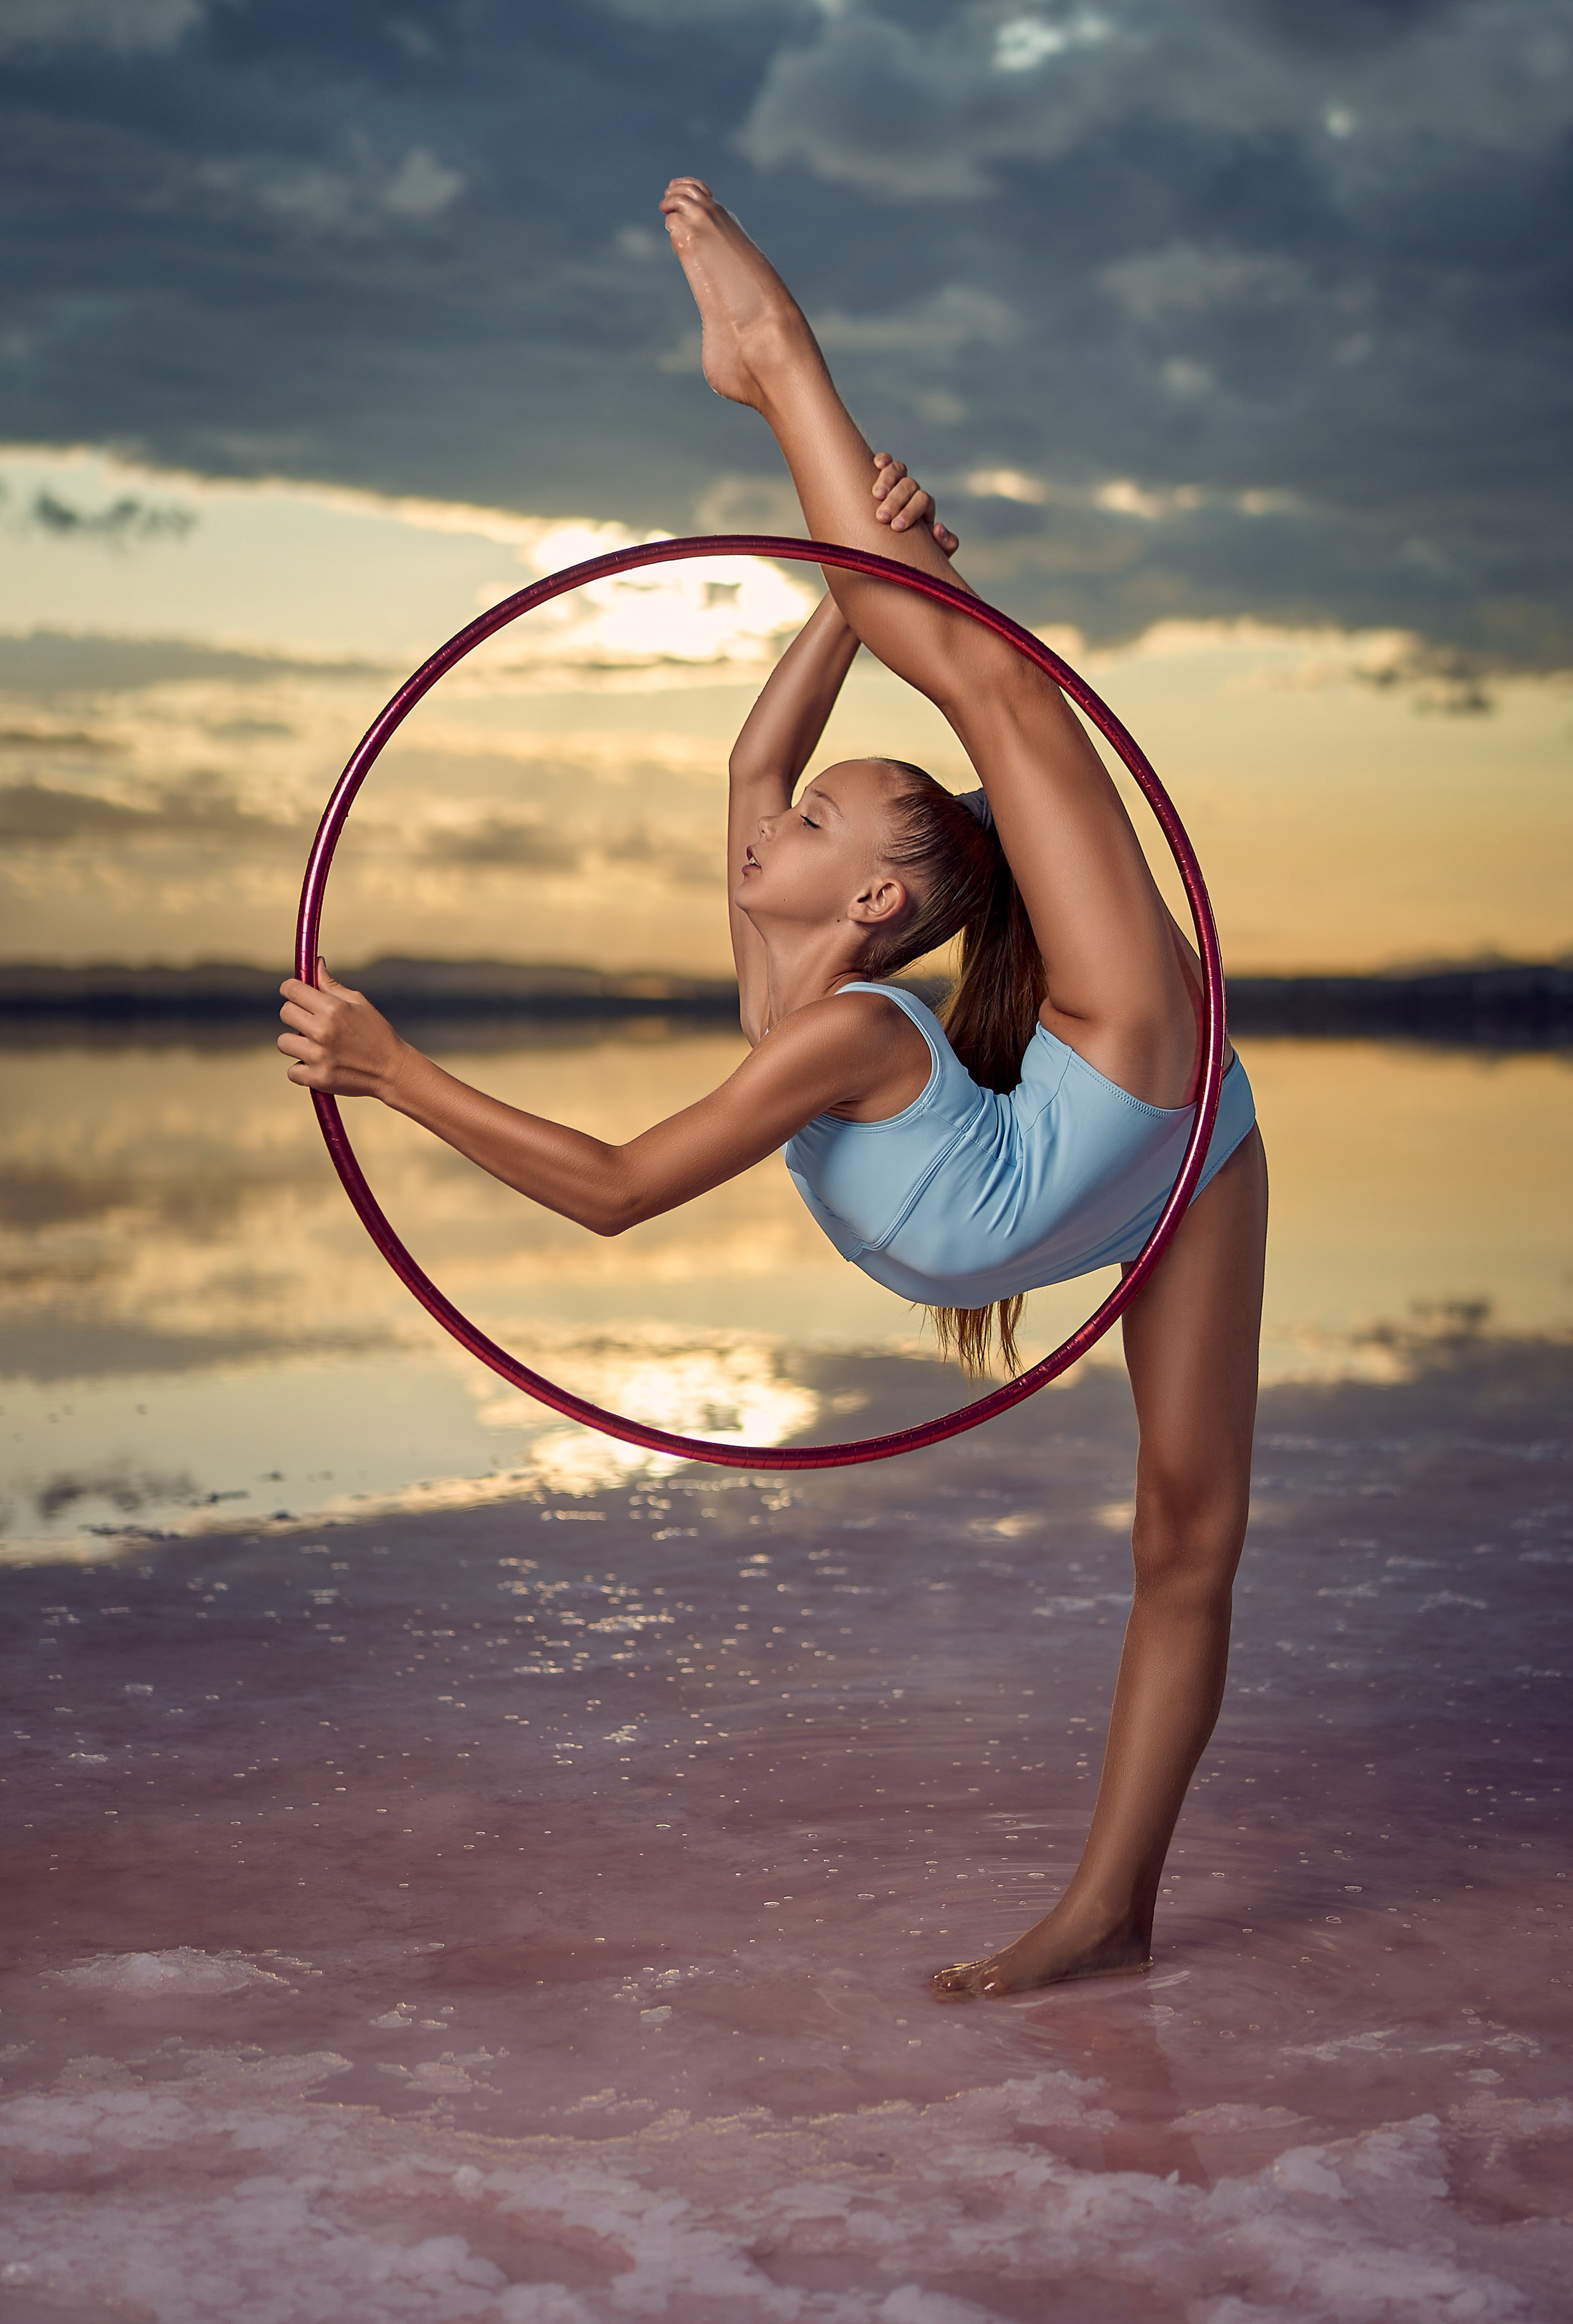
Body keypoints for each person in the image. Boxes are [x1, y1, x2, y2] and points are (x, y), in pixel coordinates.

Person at [278, 177, 1268, 1997]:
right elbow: (759, 751)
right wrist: (848, 600)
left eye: (815, 828)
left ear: (879, 902)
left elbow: (613, 1188)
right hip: (1097, 1128)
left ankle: (777, 359)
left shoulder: (845, 1032)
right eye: (796, 818)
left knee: (993, 694)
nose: (771, 823)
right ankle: (795, 401)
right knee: (959, 668)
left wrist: (392, 1067)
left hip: (1162, 1107)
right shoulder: (802, 979)